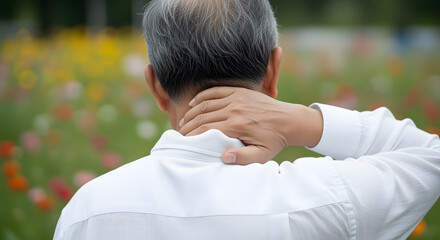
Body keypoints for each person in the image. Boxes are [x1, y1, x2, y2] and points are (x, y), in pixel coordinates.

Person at [54, 0, 440, 239]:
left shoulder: (88, 210)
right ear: (273, 71)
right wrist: (302, 121)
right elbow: (431, 156)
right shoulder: (326, 198)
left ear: (155, 85)